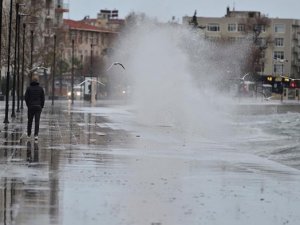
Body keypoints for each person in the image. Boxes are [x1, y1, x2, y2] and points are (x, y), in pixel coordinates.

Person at [25, 74, 45, 141]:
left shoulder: (29, 88)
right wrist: (41, 106)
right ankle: (36, 135)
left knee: (30, 121)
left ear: (32, 80)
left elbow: (26, 98)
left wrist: (28, 105)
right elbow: (43, 98)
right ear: (37, 80)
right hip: (38, 107)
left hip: (31, 107)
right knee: (37, 121)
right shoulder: (40, 88)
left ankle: (28, 134)